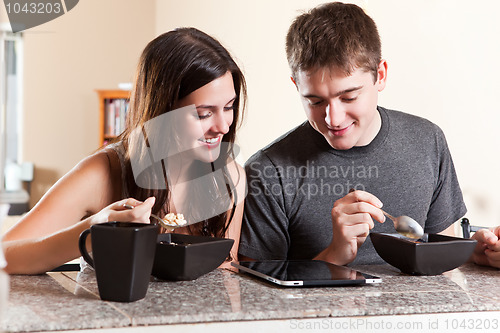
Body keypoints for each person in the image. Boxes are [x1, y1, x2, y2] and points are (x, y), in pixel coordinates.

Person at [3, 27, 247, 274]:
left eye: (229, 107)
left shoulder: (230, 177)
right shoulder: (102, 172)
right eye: (204, 114)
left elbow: (228, 271)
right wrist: (93, 230)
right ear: (162, 111)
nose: (223, 127)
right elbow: (4, 254)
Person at [238, 2, 466, 266]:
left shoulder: (428, 142)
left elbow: (445, 264)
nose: (332, 119)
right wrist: (334, 255)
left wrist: (477, 256)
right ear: (296, 85)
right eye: (315, 101)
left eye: (348, 97)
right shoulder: (268, 171)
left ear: (380, 76)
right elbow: (253, 296)